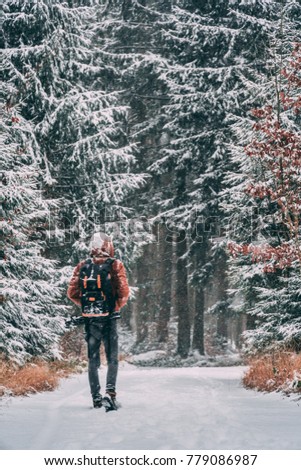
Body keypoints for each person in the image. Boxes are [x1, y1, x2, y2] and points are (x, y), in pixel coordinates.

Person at [67, 232, 129, 410]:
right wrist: (114, 306)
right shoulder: (115, 265)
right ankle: (110, 394)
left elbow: (72, 293)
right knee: (112, 358)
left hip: (90, 320)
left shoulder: (82, 266)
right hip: (109, 318)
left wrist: (87, 306)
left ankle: (95, 397)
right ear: (109, 246)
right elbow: (124, 292)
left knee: (93, 360)